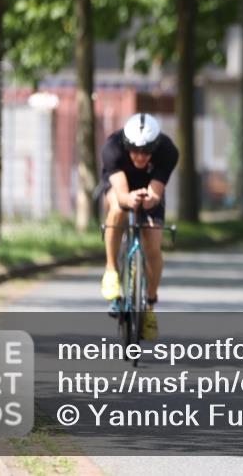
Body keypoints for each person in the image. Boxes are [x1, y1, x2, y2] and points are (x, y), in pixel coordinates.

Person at [99, 113, 179, 340]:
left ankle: (150, 303)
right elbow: (122, 194)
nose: (140, 156)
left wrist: (148, 199)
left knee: (153, 243)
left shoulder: (168, 151)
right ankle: (111, 269)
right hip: (121, 186)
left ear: (155, 147)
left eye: (146, 151)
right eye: (134, 150)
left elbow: (155, 194)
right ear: (126, 145)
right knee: (116, 209)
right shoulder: (112, 148)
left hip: (148, 189)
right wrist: (128, 199)